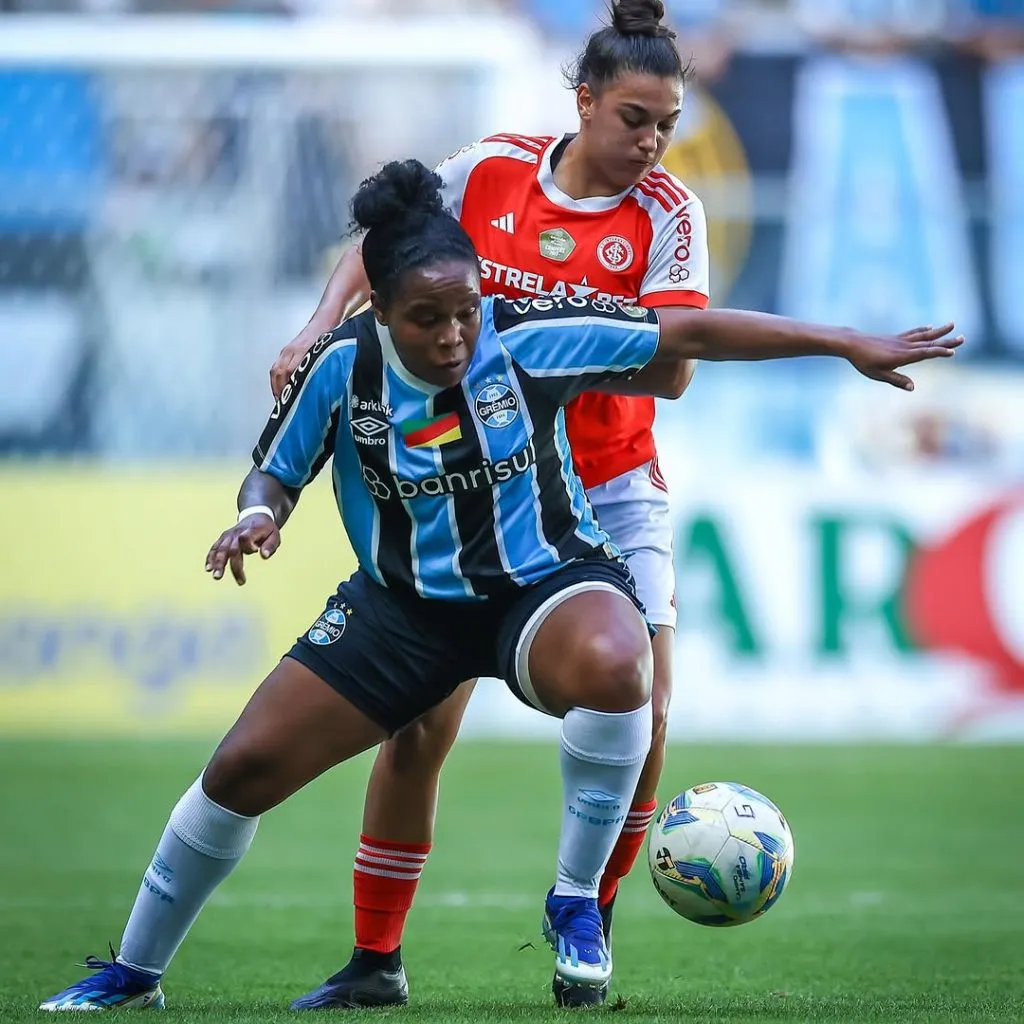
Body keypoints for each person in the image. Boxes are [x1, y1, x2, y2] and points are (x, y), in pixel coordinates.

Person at [39, 159, 959, 1013]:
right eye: (425, 320)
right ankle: (135, 970)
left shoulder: (526, 341)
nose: (452, 336)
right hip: (401, 611)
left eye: (466, 312)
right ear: (382, 312)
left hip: (543, 585)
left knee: (619, 660)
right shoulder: (340, 366)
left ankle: (574, 902)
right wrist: (261, 514)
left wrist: (843, 342)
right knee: (239, 770)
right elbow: (274, 471)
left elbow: (691, 333)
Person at [273, 0, 715, 1007]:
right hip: (492, 481)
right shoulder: (489, 169)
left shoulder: (668, 216)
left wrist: (543, 339)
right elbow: (388, 243)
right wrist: (317, 325)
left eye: (665, 125)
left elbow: (678, 368)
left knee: (642, 709)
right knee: (419, 725)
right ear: (585, 98)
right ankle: (375, 960)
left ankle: (584, 925)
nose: (650, 143)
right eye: (634, 118)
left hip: (608, 486)